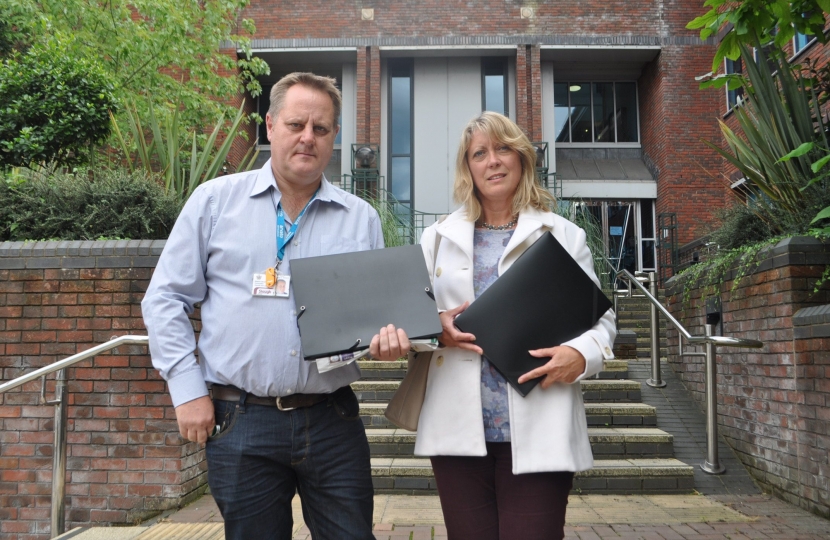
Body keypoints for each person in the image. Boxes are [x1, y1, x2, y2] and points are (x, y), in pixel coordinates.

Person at [141, 72, 409, 540]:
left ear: (334, 135)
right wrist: (187, 390)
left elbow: (371, 317)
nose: (308, 137)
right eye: (296, 124)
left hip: (332, 419)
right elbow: (165, 298)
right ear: (269, 125)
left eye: (320, 128)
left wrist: (387, 340)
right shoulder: (214, 203)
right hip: (241, 419)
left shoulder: (360, 219)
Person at [414, 111, 616, 540]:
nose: (493, 161)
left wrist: (580, 355)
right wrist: (435, 329)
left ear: (521, 157)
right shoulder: (436, 238)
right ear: (468, 167)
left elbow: (600, 319)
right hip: (457, 429)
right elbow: (413, 321)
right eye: (479, 153)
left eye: (503, 148)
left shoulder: (563, 234)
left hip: (542, 421)